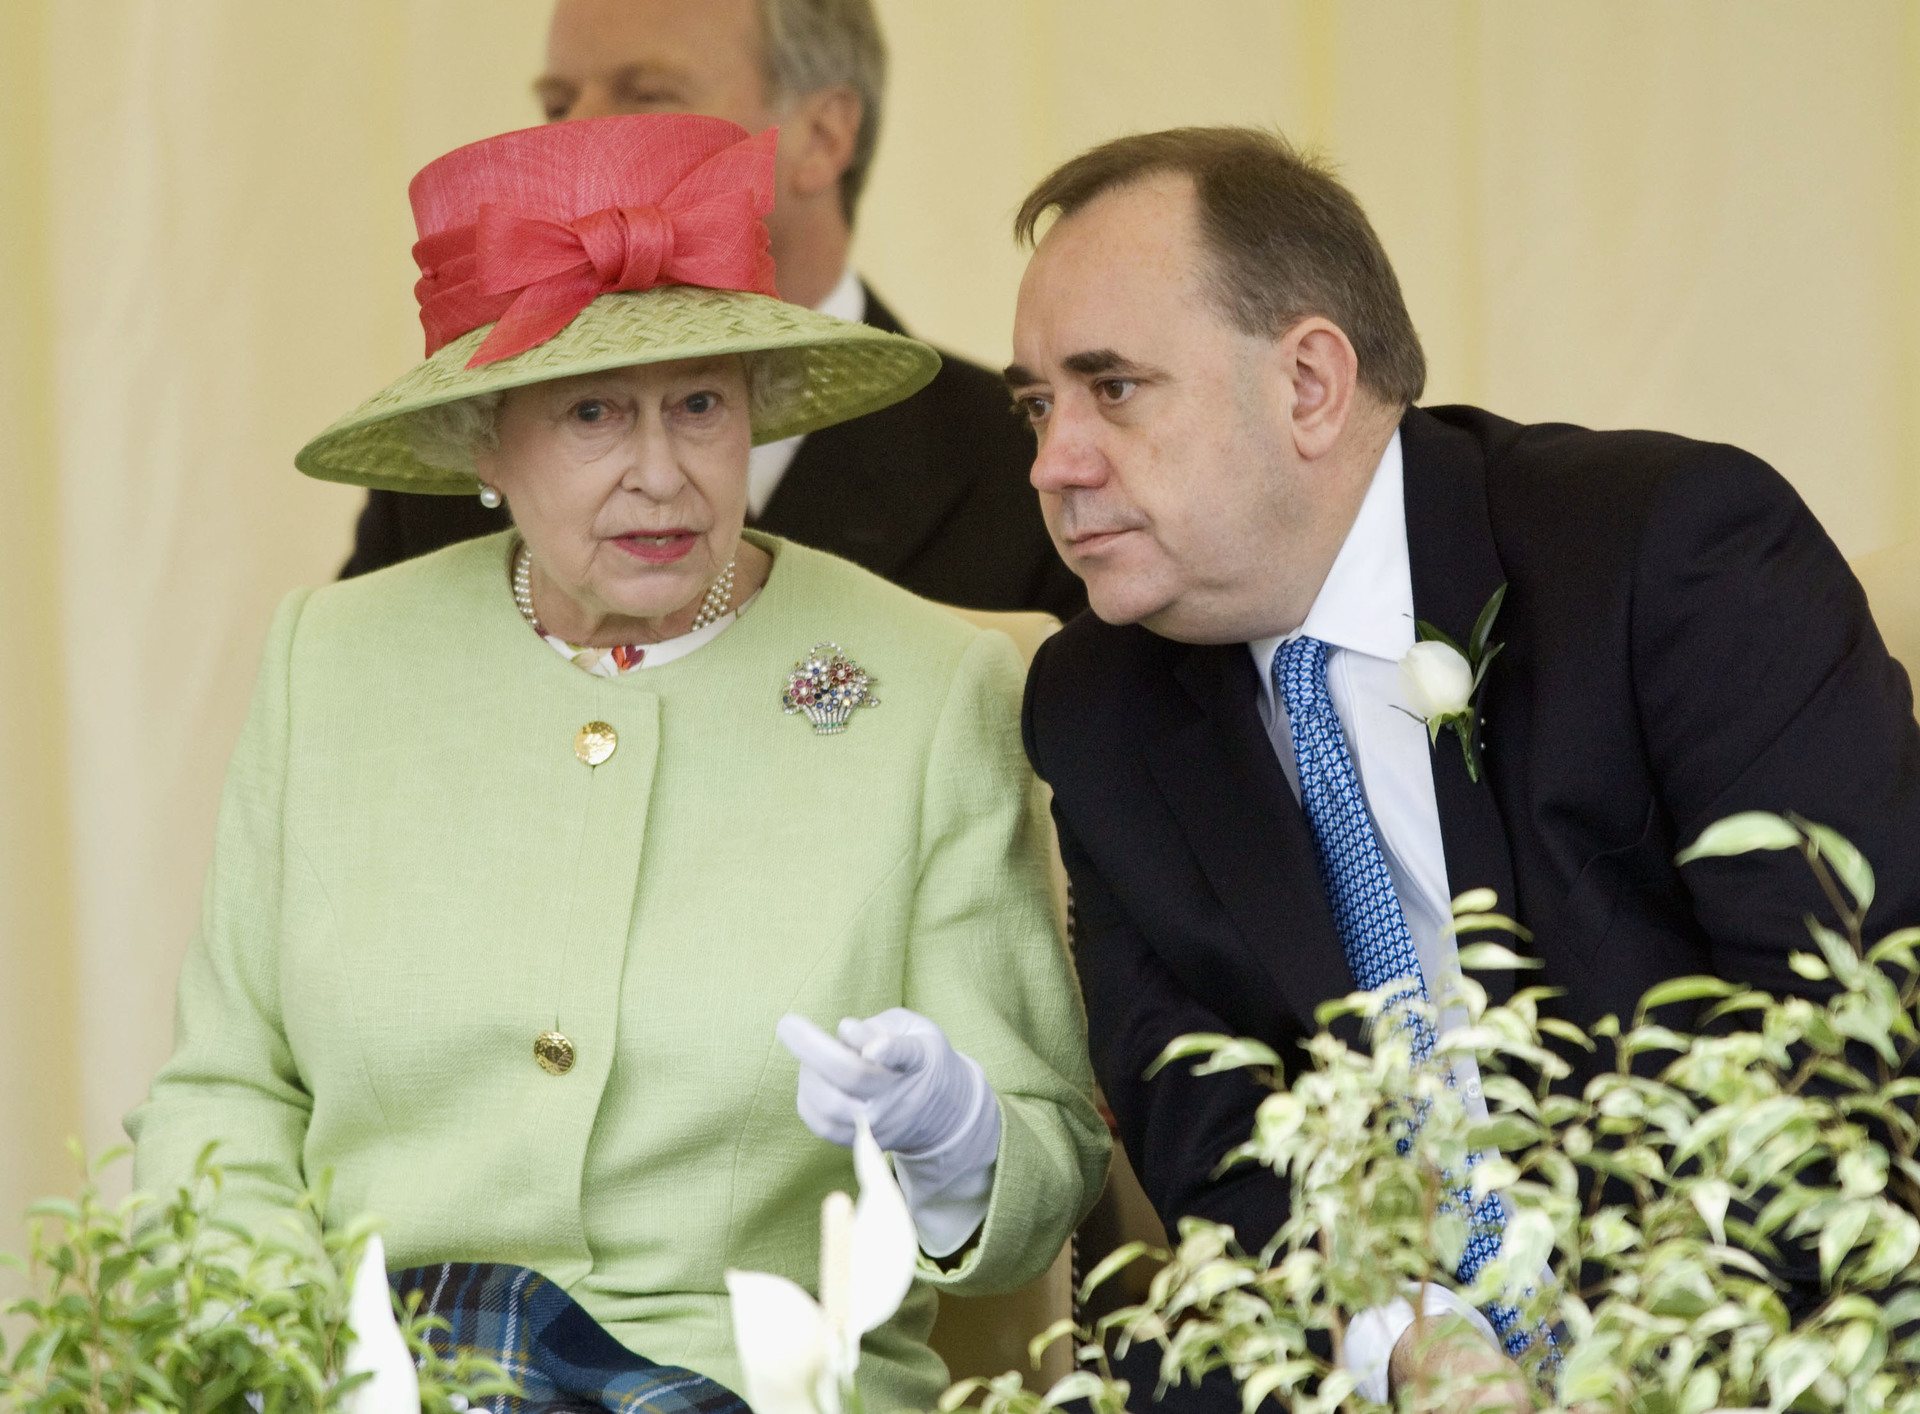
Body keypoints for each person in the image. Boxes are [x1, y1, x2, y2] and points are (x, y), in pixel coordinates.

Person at [127, 113, 1107, 1411]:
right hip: (369, 1370)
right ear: (485, 438)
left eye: (700, 405)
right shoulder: (335, 660)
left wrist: (959, 1140)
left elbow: (1044, 1175)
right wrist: (281, 1353)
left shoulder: (931, 691)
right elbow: (225, 1086)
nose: (664, 473)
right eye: (593, 411)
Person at [1007, 126, 1920, 1410]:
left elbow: (1851, 1025)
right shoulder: (1098, 702)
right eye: (1038, 404)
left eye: (1113, 389)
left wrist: (1641, 1355)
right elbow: (1206, 1130)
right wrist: (1402, 1336)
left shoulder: (1667, 553)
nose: (1055, 461)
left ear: (1311, 383)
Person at [341, 0, 1081, 620]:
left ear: (823, 137)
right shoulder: (461, 447)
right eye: (559, 103)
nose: (575, 131)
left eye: (648, 92)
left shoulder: (1028, 462)